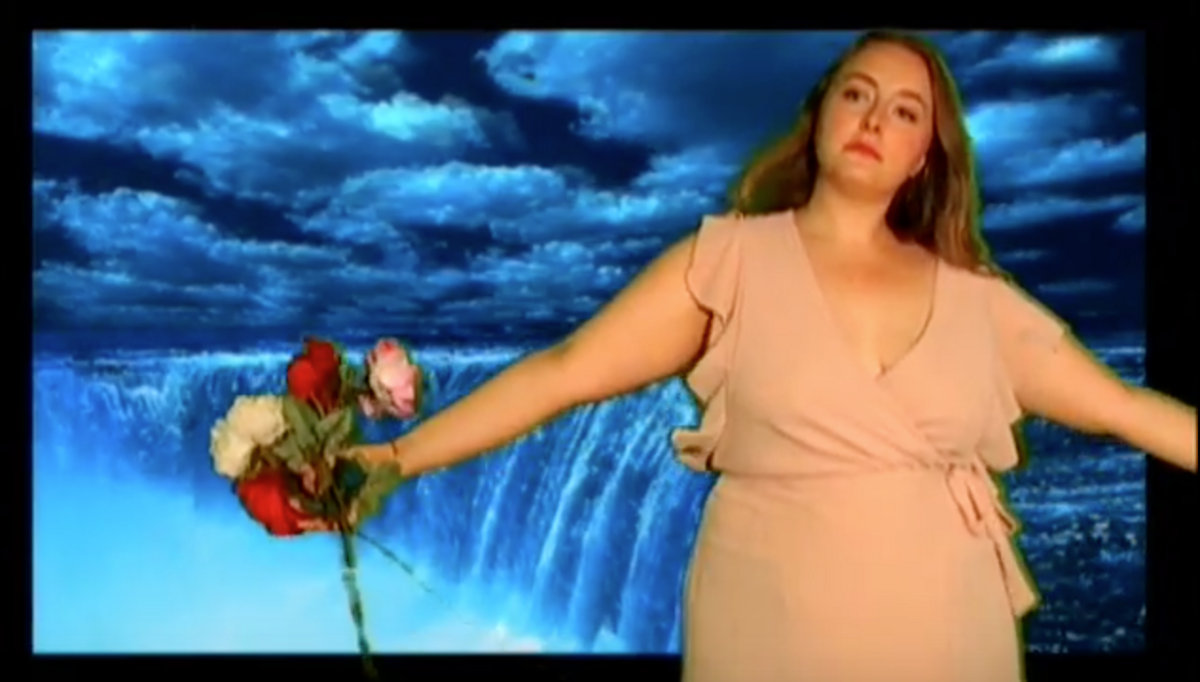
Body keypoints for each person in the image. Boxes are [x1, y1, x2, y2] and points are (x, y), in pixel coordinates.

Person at [346, 30, 1197, 681]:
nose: (874, 119)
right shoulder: (729, 262)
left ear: (925, 156)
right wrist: (392, 460)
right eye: (857, 94)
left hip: (948, 638)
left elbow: (1130, 410)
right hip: (765, 632)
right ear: (820, 114)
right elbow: (563, 373)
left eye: (905, 111)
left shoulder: (985, 305)